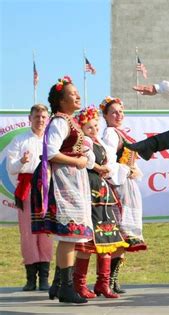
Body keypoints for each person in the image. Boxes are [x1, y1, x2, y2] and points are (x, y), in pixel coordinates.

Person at [30, 76, 93, 304]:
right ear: (60, 100)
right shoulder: (59, 121)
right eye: (72, 93)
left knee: (72, 236)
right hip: (64, 180)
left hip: (74, 180)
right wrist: (76, 162)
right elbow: (50, 152)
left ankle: (57, 284)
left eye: (77, 93)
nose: (77, 96)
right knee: (69, 235)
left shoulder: (70, 121)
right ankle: (66, 288)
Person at [72, 106, 130, 299]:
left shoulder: (99, 143)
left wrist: (108, 170)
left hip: (103, 192)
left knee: (108, 238)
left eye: (95, 126)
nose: (94, 129)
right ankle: (79, 285)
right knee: (88, 241)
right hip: (90, 191)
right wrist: (99, 167)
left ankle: (102, 284)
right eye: (89, 127)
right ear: (82, 129)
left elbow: (110, 164)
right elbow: (86, 161)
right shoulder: (85, 142)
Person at [100, 96, 147, 294]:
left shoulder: (120, 133)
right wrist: (126, 171)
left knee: (123, 234)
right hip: (119, 185)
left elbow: (128, 162)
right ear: (106, 116)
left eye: (121, 111)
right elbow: (109, 162)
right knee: (119, 232)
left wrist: (133, 170)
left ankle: (113, 279)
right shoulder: (111, 134)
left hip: (127, 183)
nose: (119, 115)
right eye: (114, 112)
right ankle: (108, 280)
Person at [6, 104, 54, 291]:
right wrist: (21, 161)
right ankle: (30, 279)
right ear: (30, 118)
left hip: (47, 190)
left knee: (46, 233)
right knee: (28, 234)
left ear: (48, 119)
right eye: (37, 116)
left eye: (43, 116)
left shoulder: (52, 141)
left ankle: (44, 278)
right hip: (27, 189)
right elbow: (10, 167)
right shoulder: (20, 140)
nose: (40, 119)